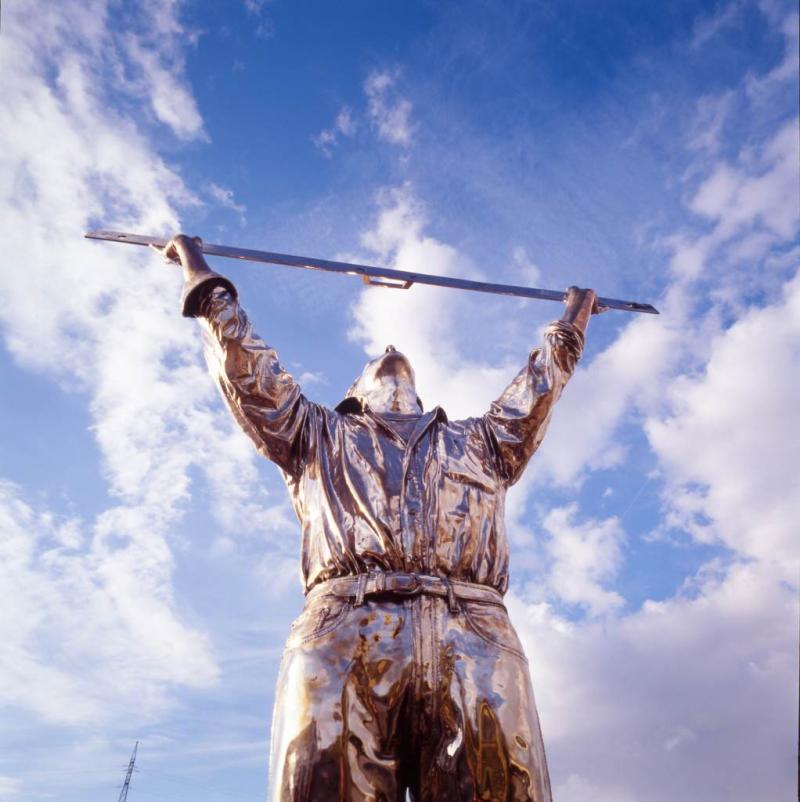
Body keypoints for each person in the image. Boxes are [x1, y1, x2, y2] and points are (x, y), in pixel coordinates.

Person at [156, 234, 600, 802]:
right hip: (345, 633)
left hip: (475, 638)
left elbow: (536, 390)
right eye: (371, 362)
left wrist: (572, 319)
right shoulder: (316, 434)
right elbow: (252, 376)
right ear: (352, 395)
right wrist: (203, 277)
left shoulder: (483, 443)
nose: (388, 350)